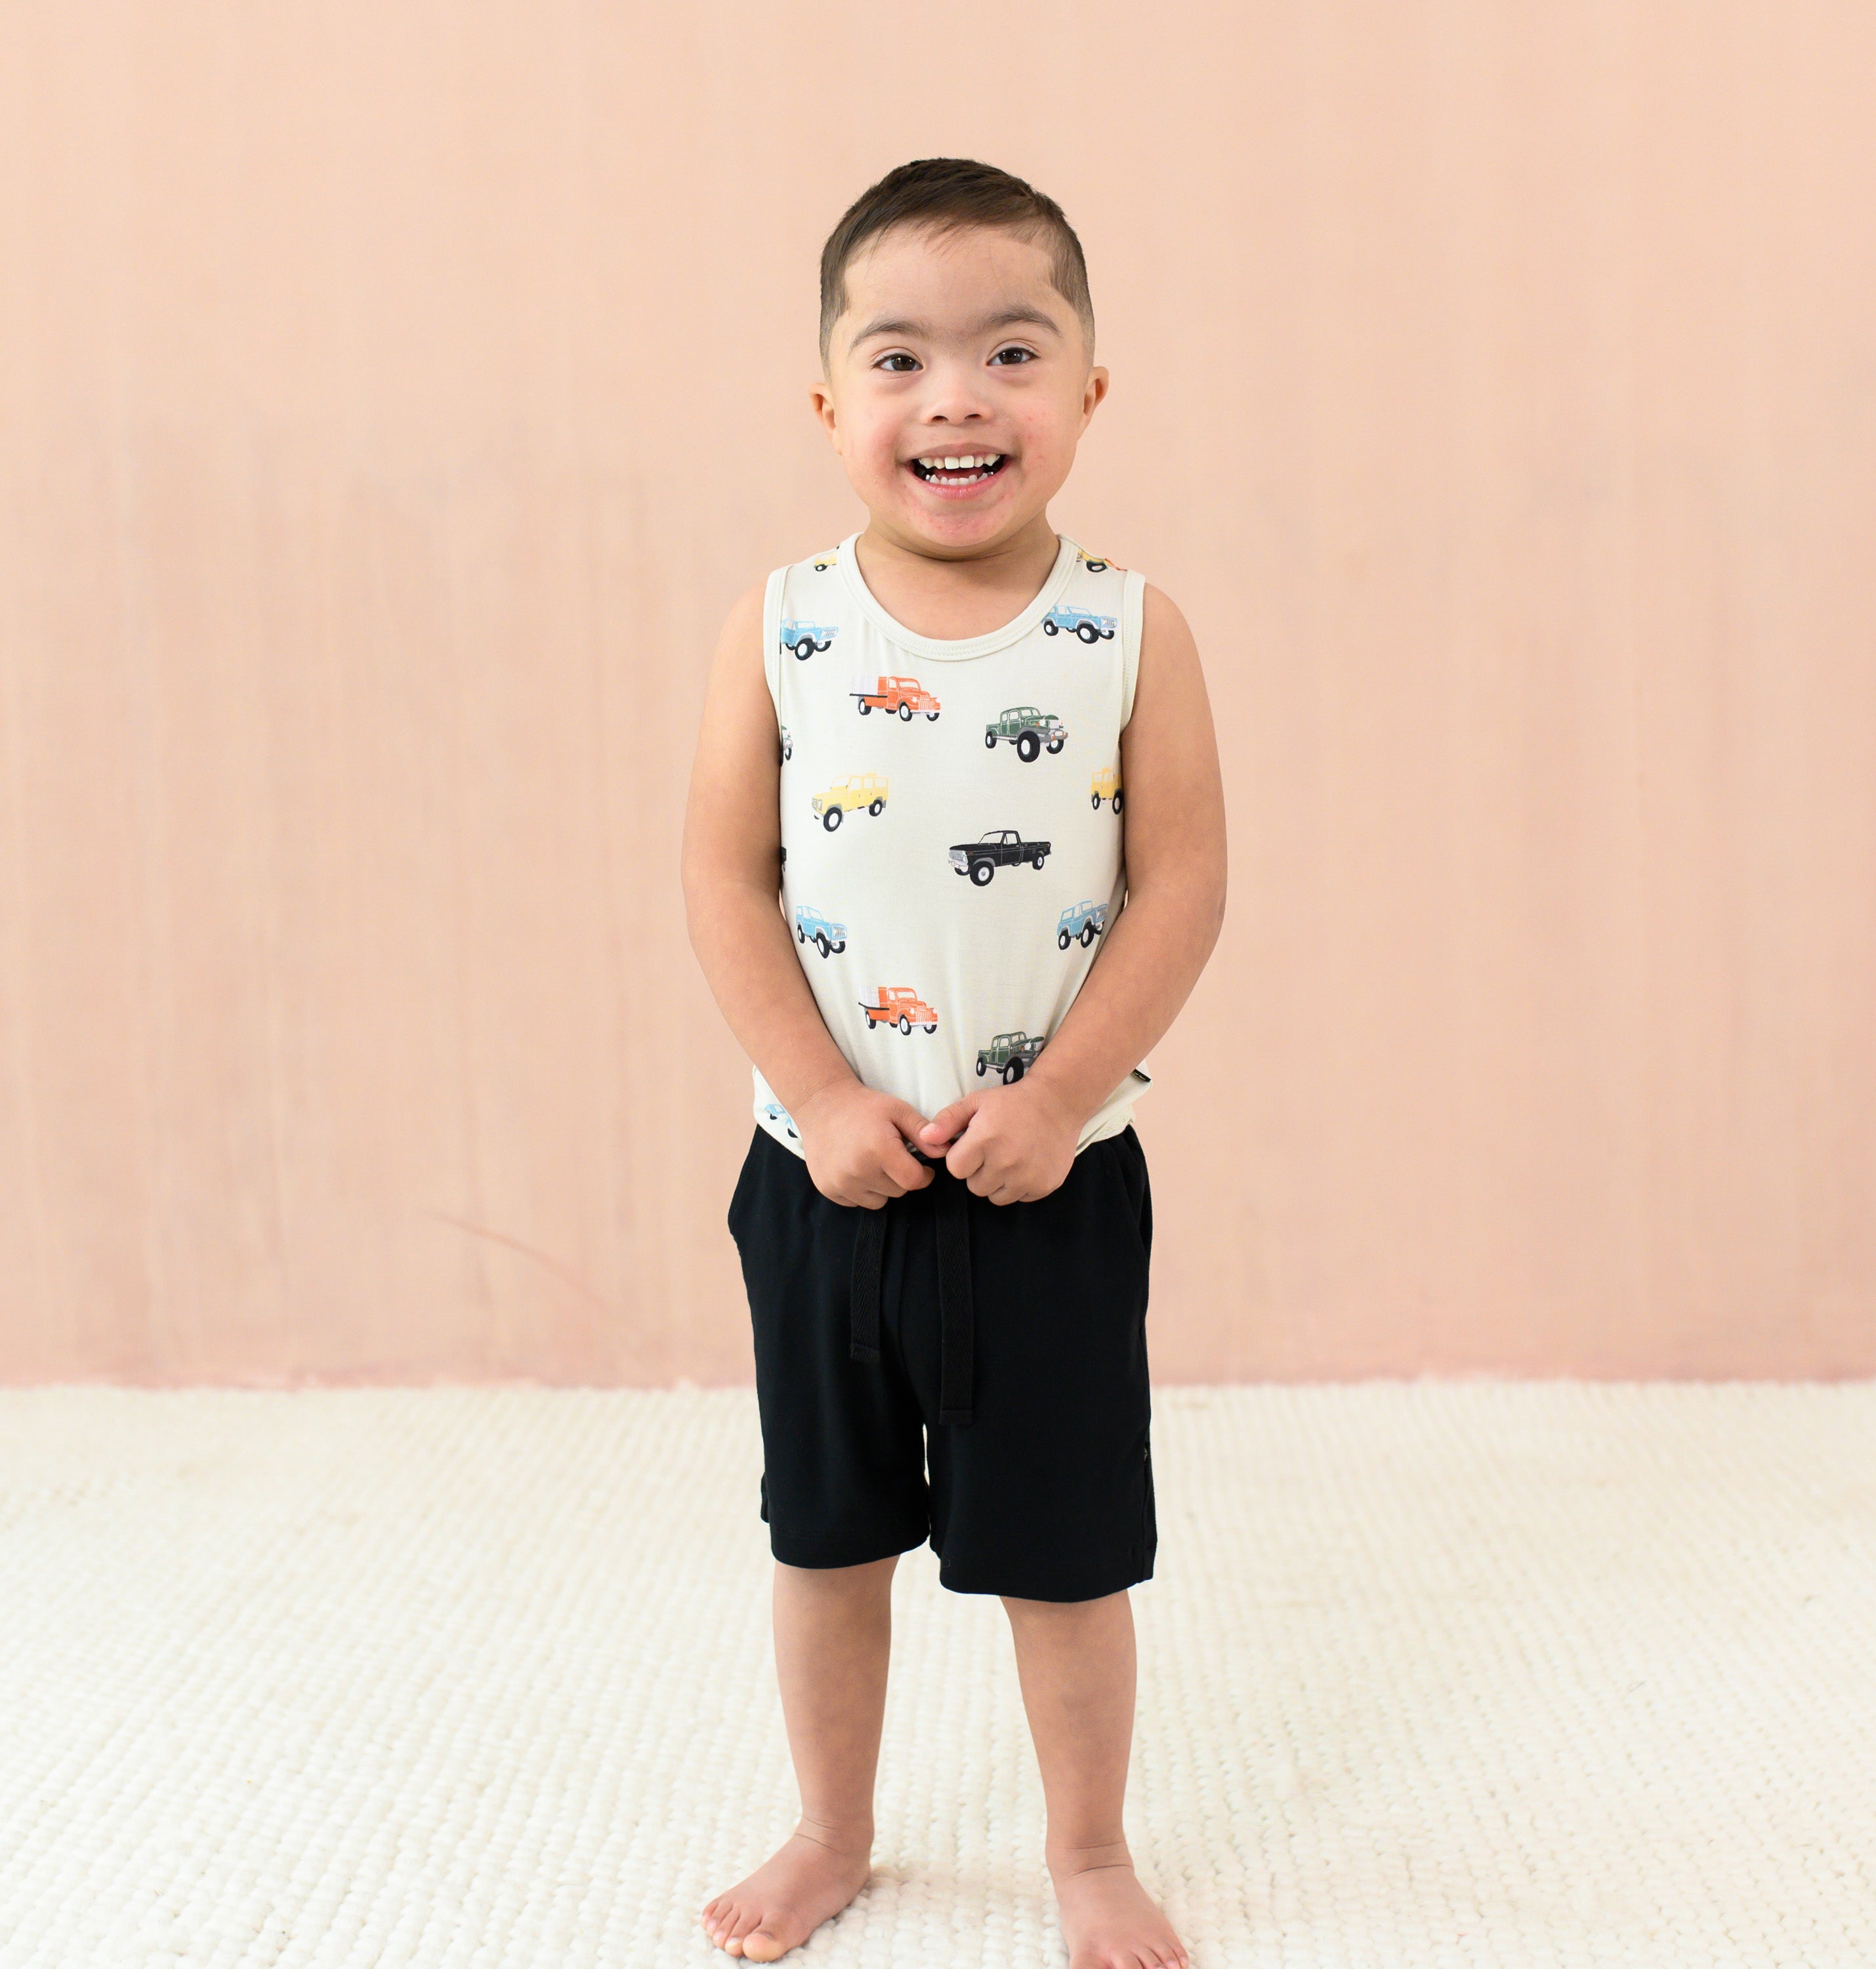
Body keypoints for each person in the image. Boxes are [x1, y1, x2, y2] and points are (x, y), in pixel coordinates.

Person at [681, 156, 1226, 1968]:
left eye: (1010, 349)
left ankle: (1085, 1851)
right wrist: (825, 1104)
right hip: (826, 1175)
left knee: (1066, 1549)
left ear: (1085, 391)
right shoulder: (784, 627)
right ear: (835, 405)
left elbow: (1183, 884)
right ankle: (833, 1828)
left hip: (1051, 1184)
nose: (957, 396)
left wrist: (1064, 1102)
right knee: (825, 1531)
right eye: (901, 359)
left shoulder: (1131, 635)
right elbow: (724, 877)